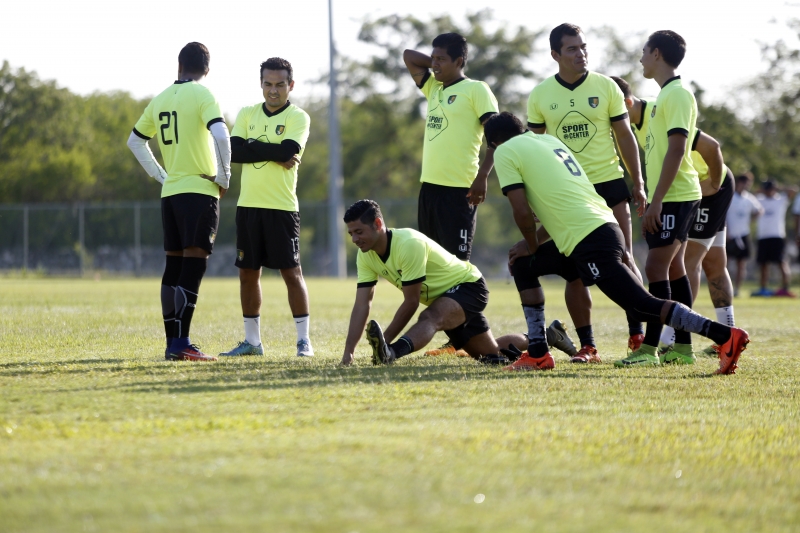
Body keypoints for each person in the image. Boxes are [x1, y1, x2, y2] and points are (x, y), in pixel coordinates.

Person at [485, 111, 749, 375]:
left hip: (590, 239)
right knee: (523, 265)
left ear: (495, 143)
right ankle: (538, 353)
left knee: (642, 305)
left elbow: (521, 211)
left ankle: (725, 335)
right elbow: (561, 208)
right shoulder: (549, 142)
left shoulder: (505, 151)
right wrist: (530, 246)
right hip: (600, 228)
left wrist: (531, 243)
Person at [527, 23, 648, 356]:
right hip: (565, 191)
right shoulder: (540, 95)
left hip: (609, 183)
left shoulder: (605, 86)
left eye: (583, 47)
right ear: (555, 55)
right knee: (574, 273)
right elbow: (535, 150)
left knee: (624, 257)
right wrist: (537, 197)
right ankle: (588, 345)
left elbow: (625, 137)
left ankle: (637, 336)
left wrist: (637, 182)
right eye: (572, 49)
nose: (580, 53)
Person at [612, 76, 736, 358]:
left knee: (682, 262)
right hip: (678, 193)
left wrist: (713, 186)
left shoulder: (661, 109)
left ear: (626, 103)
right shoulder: (631, 126)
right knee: (706, 262)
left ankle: (669, 340)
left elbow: (711, 147)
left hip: (703, 187)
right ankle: (693, 341)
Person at [126, 42, 231, 362]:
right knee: (193, 264)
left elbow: (135, 141)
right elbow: (222, 135)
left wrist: (162, 176)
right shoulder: (203, 94)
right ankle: (182, 342)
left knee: (173, 266)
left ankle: (173, 342)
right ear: (207, 69)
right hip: (199, 191)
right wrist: (225, 178)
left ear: (179, 65)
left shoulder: (159, 99)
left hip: (170, 194)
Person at [403, 32, 499, 357]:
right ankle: (459, 340)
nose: (434, 64)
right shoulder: (433, 87)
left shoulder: (476, 90)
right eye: (433, 58)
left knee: (458, 269)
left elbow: (497, 137)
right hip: (428, 191)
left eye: (442, 59)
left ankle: (462, 341)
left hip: (460, 192)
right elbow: (407, 55)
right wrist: (432, 62)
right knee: (433, 267)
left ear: (460, 61)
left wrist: (483, 176)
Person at [617, 30, 703, 366]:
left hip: (677, 196)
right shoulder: (661, 99)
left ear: (656, 53)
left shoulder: (678, 95)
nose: (640, 59)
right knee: (675, 268)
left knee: (655, 267)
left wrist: (657, 201)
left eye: (643, 52)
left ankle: (650, 349)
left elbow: (679, 149)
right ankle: (683, 347)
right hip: (670, 196)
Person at [219, 58, 314, 357]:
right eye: (268, 84)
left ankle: (303, 342)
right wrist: (276, 151)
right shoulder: (247, 112)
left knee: (291, 273)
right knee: (248, 273)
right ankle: (252, 342)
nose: (273, 91)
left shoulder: (299, 117)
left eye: (280, 85)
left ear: (291, 85)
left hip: (282, 208)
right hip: (248, 207)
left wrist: (255, 145)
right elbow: (234, 151)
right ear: (261, 84)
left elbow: (288, 151)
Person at [340, 200, 504, 366]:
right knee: (491, 355)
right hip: (444, 301)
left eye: (359, 232)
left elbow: (411, 302)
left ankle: (391, 353)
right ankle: (529, 339)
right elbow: (362, 304)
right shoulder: (365, 255)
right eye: (351, 233)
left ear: (377, 223)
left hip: (469, 286)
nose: (354, 239)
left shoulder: (408, 244)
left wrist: (385, 342)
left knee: (429, 317)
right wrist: (349, 353)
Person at [752, 180, 796, 297]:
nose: (768, 192)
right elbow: (752, 194)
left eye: (770, 189)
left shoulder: (781, 199)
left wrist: (779, 187)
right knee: (763, 264)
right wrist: (761, 190)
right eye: (766, 189)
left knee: (781, 262)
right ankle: (763, 288)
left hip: (777, 236)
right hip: (763, 236)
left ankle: (785, 288)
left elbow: (793, 190)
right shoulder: (759, 199)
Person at [725, 173, 763, 296]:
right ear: (739, 183)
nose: (747, 186)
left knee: (741, 264)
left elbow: (759, 210)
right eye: (745, 183)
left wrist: (751, 220)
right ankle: (725, 288)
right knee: (724, 264)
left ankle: (737, 289)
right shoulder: (730, 196)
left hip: (743, 234)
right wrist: (726, 231)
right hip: (729, 235)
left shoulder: (749, 198)